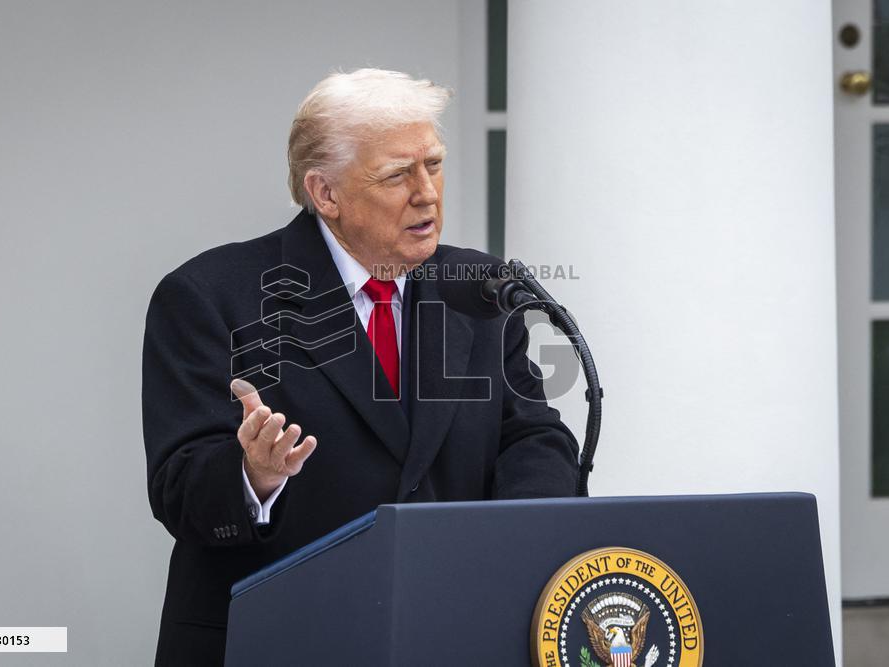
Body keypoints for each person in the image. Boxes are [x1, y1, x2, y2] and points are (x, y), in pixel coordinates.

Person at [141, 68, 579, 665]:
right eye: (398, 174)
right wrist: (254, 475)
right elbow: (179, 488)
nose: (427, 192)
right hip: (281, 639)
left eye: (434, 163)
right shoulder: (210, 295)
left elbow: (533, 435)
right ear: (326, 194)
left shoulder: (478, 287)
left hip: (453, 632)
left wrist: (518, 540)